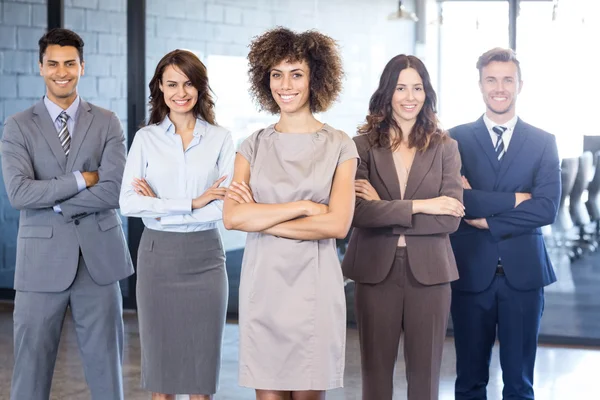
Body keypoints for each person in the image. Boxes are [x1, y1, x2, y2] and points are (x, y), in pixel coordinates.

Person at [222, 27, 358, 400]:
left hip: (315, 288)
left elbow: (337, 223)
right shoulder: (252, 145)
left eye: (296, 74)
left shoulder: (339, 145)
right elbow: (233, 218)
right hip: (264, 289)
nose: (286, 85)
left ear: (315, 78)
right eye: (276, 74)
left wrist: (262, 216)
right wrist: (301, 208)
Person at [0, 28, 133, 400]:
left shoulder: (108, 121)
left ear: (82, 67)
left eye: (70, 63)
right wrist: (80, 179)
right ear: (40, 68)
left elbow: (114, 189)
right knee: (30, 372)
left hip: (99, 262)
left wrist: (56, 200)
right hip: (40, 264)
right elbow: (20, 192)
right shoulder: (18, 126)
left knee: (108, 372)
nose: (63, 71)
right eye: (53, 64)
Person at [341, 54, 464, 400]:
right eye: (400, 87)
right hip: (375, 270)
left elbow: (450, 218)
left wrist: (384, 206)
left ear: (427, 94)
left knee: (425, 378)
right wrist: (422, 205)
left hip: (431, 273)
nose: (410, 97)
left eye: (417, 88)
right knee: (374, 374)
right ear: (387, 92)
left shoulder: (446, 148)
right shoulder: (361, 146)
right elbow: (358, 214)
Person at [119, 49, 234, 400]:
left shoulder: (221, 138)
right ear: (160, 87)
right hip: (158, 257)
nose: (180, 92)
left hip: (205, 257)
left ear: (200, 88)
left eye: (188, 83)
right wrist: (194, 202)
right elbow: (127, 203)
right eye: (171, 84)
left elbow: (226, 207)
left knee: (201, 374)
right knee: (163, 376)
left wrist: (159, 206)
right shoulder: (146, 139)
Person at [449, 47, 560, 400]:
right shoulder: (455, 139)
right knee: (469, 381)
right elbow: (458, 203)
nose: (500, 88)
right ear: (480, 85)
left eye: (507, 80)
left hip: (524, 276)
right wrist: (515, 199)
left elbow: (546, 209)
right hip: (470, 272)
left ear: (520, 85)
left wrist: (486, 220)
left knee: (519, 384)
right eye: (491, 80)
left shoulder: (544, 142)